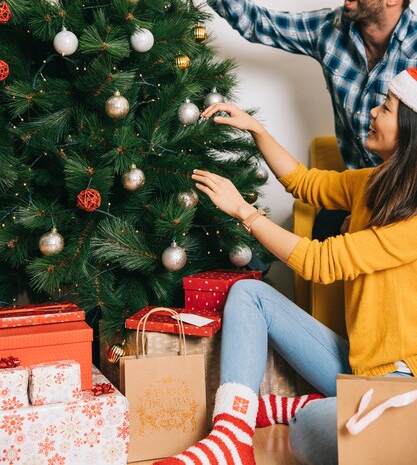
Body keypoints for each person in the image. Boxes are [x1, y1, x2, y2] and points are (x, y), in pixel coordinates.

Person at [154, 66, 417, 465]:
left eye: (386, 107)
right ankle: (231, 436)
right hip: (359, 365)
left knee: (309, 428)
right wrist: (255, 129)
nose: (373, 113)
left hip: (402, 384)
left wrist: (244, 211)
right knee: (249, 293)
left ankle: (297, 408)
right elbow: (305, 183)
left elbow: (321, 261)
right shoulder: (375, 183)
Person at [180, 0, 417, 236]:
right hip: (350, 190)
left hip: (408, 201)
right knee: (319, 242)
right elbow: (256, 22)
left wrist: (374, 215)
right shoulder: (329, 31)